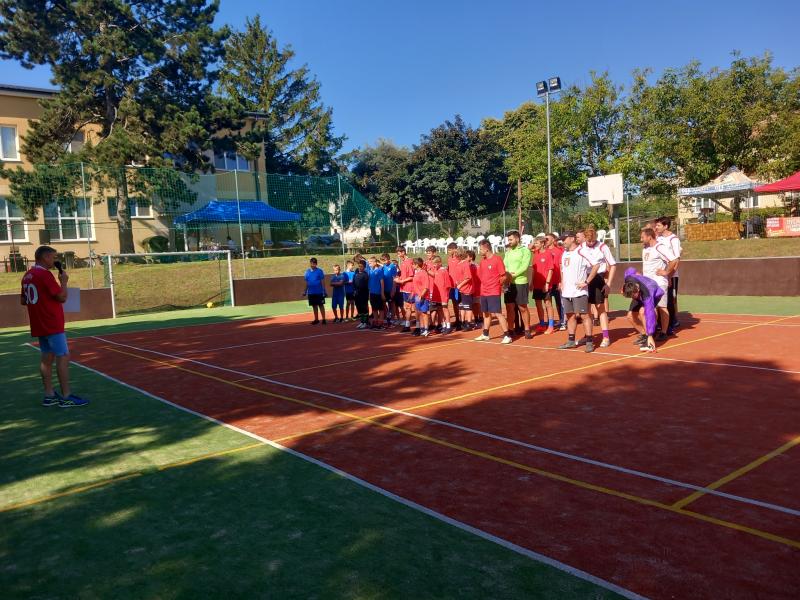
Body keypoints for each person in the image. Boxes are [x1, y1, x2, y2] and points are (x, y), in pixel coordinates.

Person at [20, 245, 88, 407]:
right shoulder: (45, 274)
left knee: (46, 358)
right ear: (45, 257)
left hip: (39, 323)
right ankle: (66, 396)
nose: (55, 260)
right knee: (63, 356)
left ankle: (49, 395)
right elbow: (62, 297)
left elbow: (23, 300)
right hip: (51, 322)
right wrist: (63, 282)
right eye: (53, 257)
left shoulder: (27, 275)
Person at [557, 232, 595, 352]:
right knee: (570, 316)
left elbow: (596, 265)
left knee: (584, 315)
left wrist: (586, 282)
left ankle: (589, 341)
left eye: (565, 239)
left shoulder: (582, 251)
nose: (563, 241)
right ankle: (571, 341)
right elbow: (562, 269)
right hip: (566, 291)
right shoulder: (564, 253)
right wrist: (562, 282)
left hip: (579, 291)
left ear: (572, 239)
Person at [580, 226, 617, 348]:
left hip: (598, 278)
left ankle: (606, 337)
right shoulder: (581, 247)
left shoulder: (602, 247)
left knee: (600, 308)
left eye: (593, 240)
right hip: (585, 278)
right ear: (585, 238)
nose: (590, 243)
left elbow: (613, 265)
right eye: (588, 240)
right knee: (586, 310)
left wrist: (608, 284)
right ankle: (588, 335)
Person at [641, 227, 678, 340]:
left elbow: (674, 260)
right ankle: (651, 331)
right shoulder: (645, 249)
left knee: (662, 307)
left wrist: (666, 272)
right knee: (650, 308)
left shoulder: (659, 247)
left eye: (642, 237)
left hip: (659, 283)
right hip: (648, 284)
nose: (641, 239)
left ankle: (664, 332)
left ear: (649, 237)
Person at [474, 239, 512, 344]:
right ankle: (485, 334)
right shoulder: (482, 261)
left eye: (481, 249)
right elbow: (480, 276)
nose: (479, 251)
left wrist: (497, 284)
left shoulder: (497, 259)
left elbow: (503, 276)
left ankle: (507, 335)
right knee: (486, 313)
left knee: (497, 313)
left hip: (493, 291)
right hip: (484, 291)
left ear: (486, 249)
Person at [621, 268, 665, 353]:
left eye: (633, 296)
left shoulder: (648, 293)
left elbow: (649, 314)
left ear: (637, 290)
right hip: (639, 295)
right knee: (630, 316)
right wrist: (624, 286)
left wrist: (650, 334)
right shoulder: (628, 279)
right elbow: (630, 270)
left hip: (655, 293)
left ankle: (650, 336)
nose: (632, 298)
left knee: (643, 311)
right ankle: (645, 335)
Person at [653, 217, 682, 333]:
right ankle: (661, 323)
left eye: (658, 225)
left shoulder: (673, 239)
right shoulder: (658, 238)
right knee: (660, 299)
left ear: (665, 226)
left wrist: (669, 275)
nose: (656, 227)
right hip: (660, 276)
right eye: (656, 225)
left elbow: (676, 260)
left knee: (671, 299)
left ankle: (671, 323)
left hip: (671, 275)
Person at [503, 230, 533, 339]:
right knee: (509, 307)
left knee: (522, 307)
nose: (509, 242)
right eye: (508, 240)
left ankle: (527, 329)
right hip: (508, 283)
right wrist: (507, 277)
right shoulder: (508, 252)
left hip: (520, 282)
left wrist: (513, 275)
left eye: (511, 239)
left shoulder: (525, 251)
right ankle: (511, 329)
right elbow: (505, 265)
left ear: (517, 239)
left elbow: (524, 266)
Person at [530, 236, 556, 335]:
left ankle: (551, 325)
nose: (535, 245)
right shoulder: (535, 254)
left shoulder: (548, 254)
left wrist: (547, 283)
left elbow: (550, 270)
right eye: (534, 243)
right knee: (538, 304)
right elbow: (534, 270)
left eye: (536, 243)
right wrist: (531, 282)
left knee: (548, 304)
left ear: (542, 244)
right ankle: (542, 324)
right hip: (536, 284)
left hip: (545, 284)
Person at [545, 233, 566, 330]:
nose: (545, 241)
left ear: (553, 240)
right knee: (547, 302)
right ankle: (551, 322)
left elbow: (562, 267)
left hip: (557, 281)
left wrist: (561, 281)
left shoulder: (559, 251)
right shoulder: (544, 251)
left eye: (547, 239)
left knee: (560, 302)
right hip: (548, 282)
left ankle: (563, 321)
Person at [395, 246, 416, 333]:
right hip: (404, 288)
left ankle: (419, 326)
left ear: (403, 252)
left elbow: (412, 276)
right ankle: (407, 326)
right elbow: (405, 275)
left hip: (410, 288)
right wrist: (399, 278)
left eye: (399, 253)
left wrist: (402, 281)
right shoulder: (403, 262)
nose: (398, 255)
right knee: (407, 307)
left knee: (415, 307)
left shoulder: (409, 262)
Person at [453, 249, 476, 330]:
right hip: (460, 289)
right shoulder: (459, 264)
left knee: (467, 306)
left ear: (459, 256)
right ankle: (462, 322)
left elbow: (468, 277)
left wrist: (460, 285)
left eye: (455, 255)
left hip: (466, 289)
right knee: (461, 306)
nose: (454, 256)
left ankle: (469, 323)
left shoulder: (465, 264)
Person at [431, 256, 453, 334]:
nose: (434, 265)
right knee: (439, 309)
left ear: (439, 263)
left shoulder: (444, 271)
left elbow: (448, 285)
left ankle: (448, 326)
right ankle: (443, 325)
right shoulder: (437, 270)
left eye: (435, 264)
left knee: (445, 309)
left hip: (443, 294)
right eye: (433, 264)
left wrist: (446, 294)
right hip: (437, 294)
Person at [411, 257, 432, 337]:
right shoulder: (417, 273)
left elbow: (426, 287)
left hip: (423, 296)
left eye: (413, 264)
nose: (412, 265)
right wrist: (413, 293)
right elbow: (416, 285)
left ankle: (426, 329)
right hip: (417, 296)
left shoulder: (423, 273)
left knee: (424, 313)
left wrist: (421, 295)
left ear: (417, 264)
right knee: (419, 313)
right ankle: (422, 328)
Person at [303, 258, 327, 324]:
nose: (312, 265)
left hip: (319, 292)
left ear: (316, 264)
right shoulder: (307, 272)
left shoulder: (320, 271)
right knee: (314, 306)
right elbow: (306, 283)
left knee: (321, 305)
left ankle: (324, 319)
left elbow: (323, 281)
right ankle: (316, 319)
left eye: (314, 263)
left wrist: (324, 291)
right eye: (311, 263)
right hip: (311, 292)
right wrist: (305, 291)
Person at [446, 242, 462, 330]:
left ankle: (462, 321)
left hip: (458, 285)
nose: (448, 252)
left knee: (460, 303)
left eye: (449, 250)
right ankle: (457, 320)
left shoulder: (459, 259)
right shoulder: (449, 259)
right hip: (451, 285)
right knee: (454, 303)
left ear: (454, 249)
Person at [367, 256, 386, 330]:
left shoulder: (379, 271)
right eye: (369, 263)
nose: (369, 264)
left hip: (378, 293)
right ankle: (375, 322)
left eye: (370, 262)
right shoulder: (370, 271)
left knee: (380, 309)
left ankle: (381, 323)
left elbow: (382, 282)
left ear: (375, 263)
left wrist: (382, 293)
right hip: (372, 293)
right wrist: (369, 293)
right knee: (374, 309)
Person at [352, 260, 371, 329]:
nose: (360, 268)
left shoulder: (365, 275)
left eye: (361, 266)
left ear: (364, 267)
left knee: (364, 308)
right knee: (359, 308)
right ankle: (362, 322)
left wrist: (363, 292)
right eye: (359, 266)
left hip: (363, 294)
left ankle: (366, 322)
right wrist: (354, 291)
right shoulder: (356, 273)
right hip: (357, 294)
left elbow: (365, 285)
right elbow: (354, 283)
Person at [380, 253, 397, 326]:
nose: (384, 262)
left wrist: (393, 289)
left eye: (385, 260)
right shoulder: (383, 267)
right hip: (384, 289)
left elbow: (394, 279)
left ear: (388, 259)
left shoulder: (393, 267)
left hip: (391, 289)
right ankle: (388, 316)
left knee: (392, 303)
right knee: (384, 303)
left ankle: (392, 319)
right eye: (382, 260)